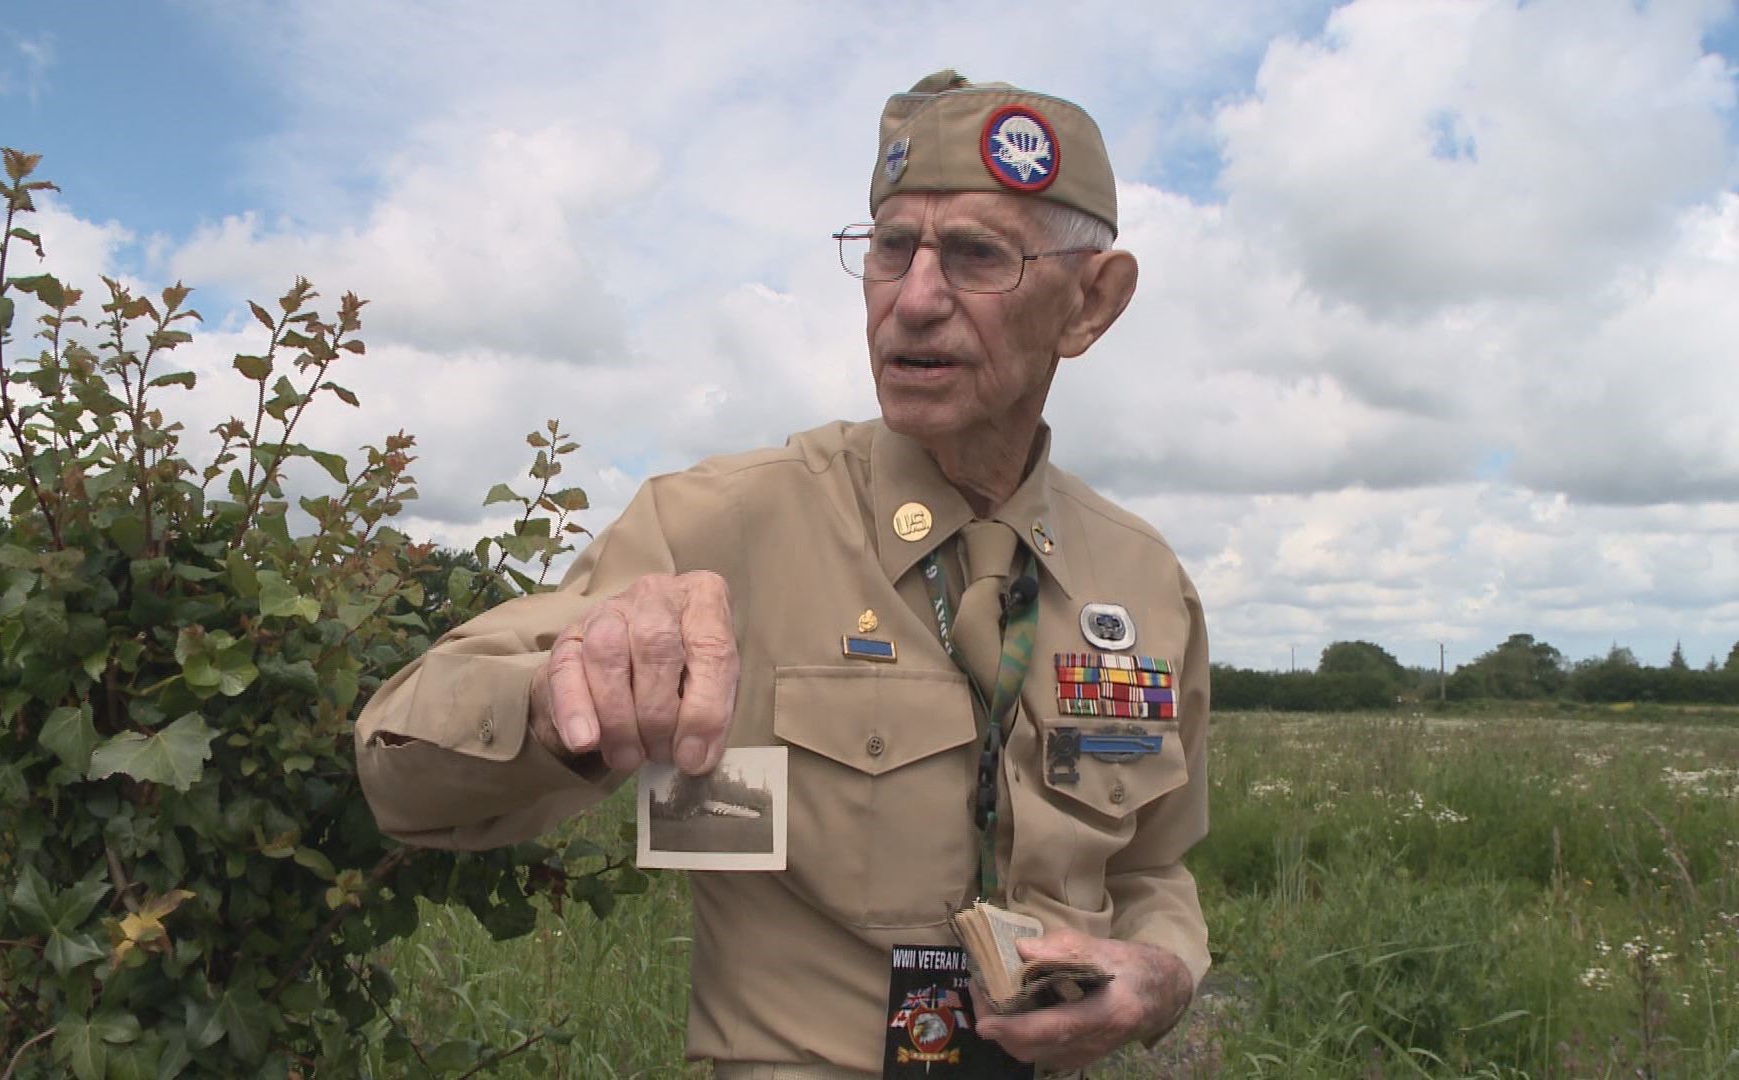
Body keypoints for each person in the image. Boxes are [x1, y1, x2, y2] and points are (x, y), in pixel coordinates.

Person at [356, 69, 1210, 1078]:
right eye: (892, 249)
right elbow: (395, 771)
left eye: (976, 256)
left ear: (1090, 303)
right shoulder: (721, 524)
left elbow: (1154, 864)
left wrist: (1160, 973)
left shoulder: (1145, 583)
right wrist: (554, 701)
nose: (915, 300)